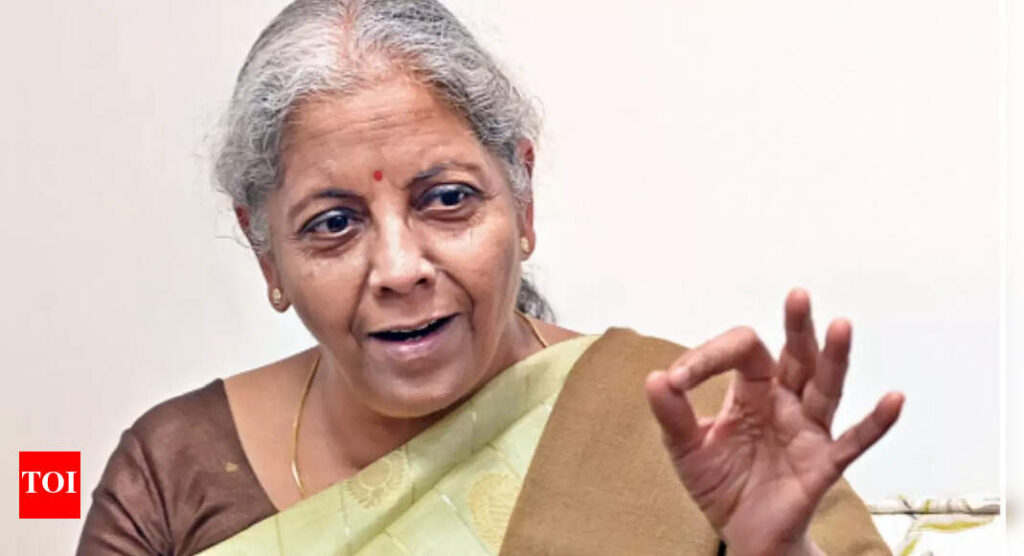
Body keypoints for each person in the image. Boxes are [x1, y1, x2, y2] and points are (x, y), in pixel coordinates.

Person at [77, 1, 904, 554]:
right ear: (267, 254)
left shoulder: (701, 426)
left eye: (447, 200)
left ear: (523, 199)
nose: (400, 269)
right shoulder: (176, 469)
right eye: (333, 224)